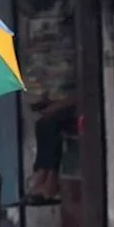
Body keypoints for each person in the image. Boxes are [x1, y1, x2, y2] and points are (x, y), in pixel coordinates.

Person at [25, 75, 76, 204]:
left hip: (75, 110)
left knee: (49, 124)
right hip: (63, 109)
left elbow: (77, 97)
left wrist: (53, 108)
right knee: (43, 125)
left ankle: (49, 175)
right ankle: (45, 170)